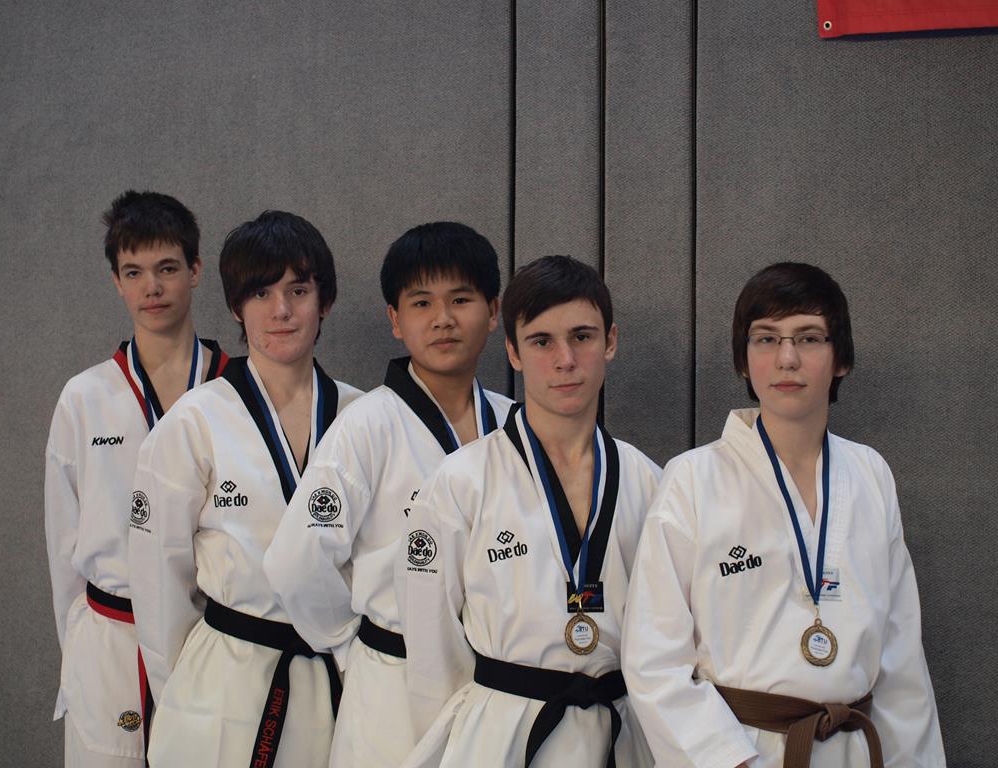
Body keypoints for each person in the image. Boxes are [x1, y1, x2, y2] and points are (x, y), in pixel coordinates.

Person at [622, 262, 946, 768]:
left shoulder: (870, 473)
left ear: (841, 359)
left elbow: (901, 657)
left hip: (856, 749)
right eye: (766, 339)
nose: (787, 358)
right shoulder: (693, 479)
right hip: (743, 749)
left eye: (809, 338)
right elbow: (653, 657)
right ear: (743, 360)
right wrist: (732, 762)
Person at [264, 221, 514, 768]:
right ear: (395, 320)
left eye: (461, 300)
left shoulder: (514, 424)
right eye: (422, 303)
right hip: (392, 680)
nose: (443, 318)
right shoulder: (367, 424)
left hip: (496, 685)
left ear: (493, 311)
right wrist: (350, 644)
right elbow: (295, 561)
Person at [402, 255, 662, 768]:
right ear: (513, 352)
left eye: (582, 337)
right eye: (542, 341)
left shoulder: (649, 481)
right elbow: (432, 647)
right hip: (501, 734)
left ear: (611, 342)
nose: (565, 360)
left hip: (621, 732)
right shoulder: (462, 482)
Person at [127, 211, 362, 768]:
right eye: (260, 293)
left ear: (324, 301)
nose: (281, 310)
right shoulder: (194, 422)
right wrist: (184, 692)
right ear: (236, 307)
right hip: (224, 681)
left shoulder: (364, 417)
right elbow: (158, 582)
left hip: (339, 678)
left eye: (298, 290)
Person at [45, 190, 228, 767]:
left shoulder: (237, 391)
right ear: (116, 282)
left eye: (167, 268)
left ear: (195, 271)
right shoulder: (85, 397)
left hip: (211, 636)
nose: (152, 287)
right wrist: (79, 649)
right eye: (134, 272)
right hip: (112, 638)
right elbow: (63, 547)